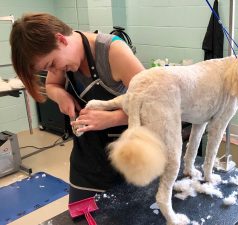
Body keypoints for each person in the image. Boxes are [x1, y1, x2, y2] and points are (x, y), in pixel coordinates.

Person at [10, 13, 144, 203]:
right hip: (87, 158)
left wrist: (112, 119)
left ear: (61, 39)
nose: (54, 72)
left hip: (129, 156)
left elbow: (154, 104)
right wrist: (61, 96)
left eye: (51, 64)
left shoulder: (114, 52)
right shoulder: (62, 60)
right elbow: (52, 85)